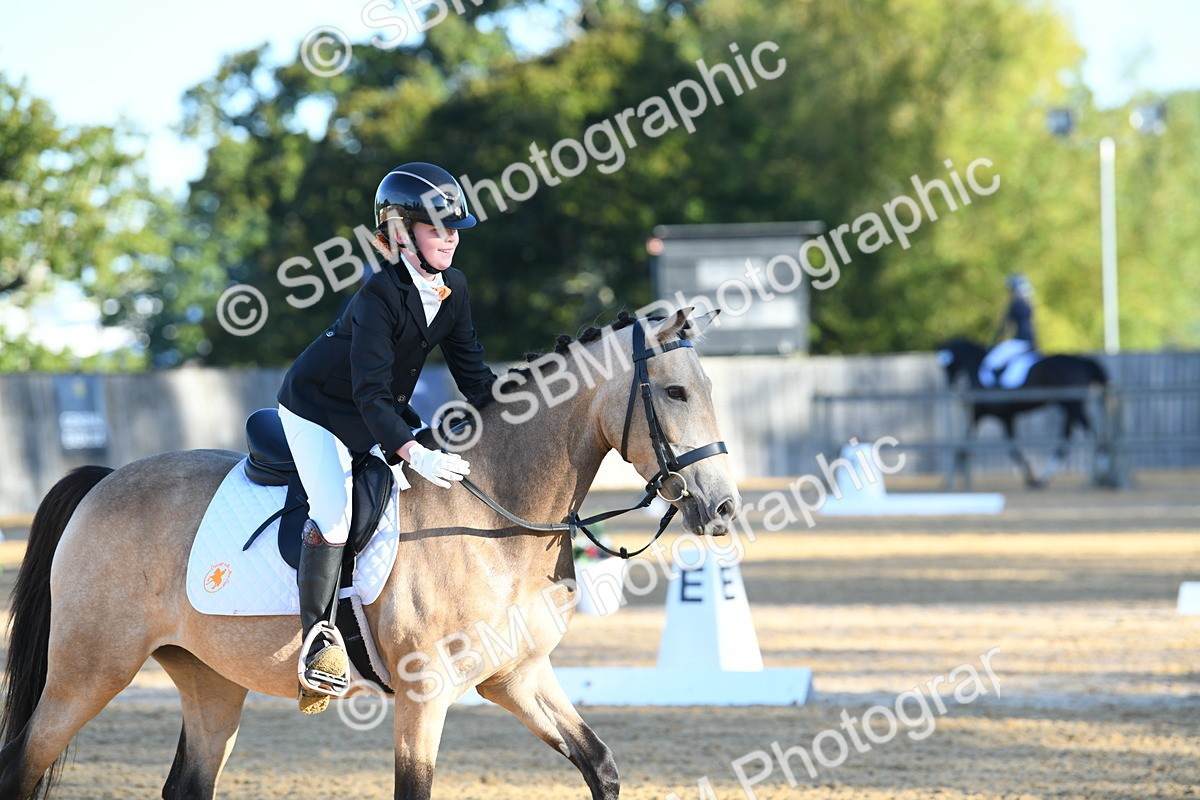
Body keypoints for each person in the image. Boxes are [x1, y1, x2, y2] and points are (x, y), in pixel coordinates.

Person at [276, 161, 498, 713]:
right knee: (333, 515)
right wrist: (413, 451)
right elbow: (370, 395)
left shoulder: (454, 287)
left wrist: (523, 411)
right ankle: (318, 646)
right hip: (317, 410)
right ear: (402, 236)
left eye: (454, 228)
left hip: (373, 411)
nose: (450, 238)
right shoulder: (378, 295)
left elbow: (475, 377)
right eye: (435, 228)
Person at [979, 274, 1037, 388]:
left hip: (1019, 341)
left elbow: (1005, 327)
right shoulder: (1029, 304)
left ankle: (995, 386)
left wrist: (993, 343)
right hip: (1030, 340)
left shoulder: (1015, 304)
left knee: (990, 362)